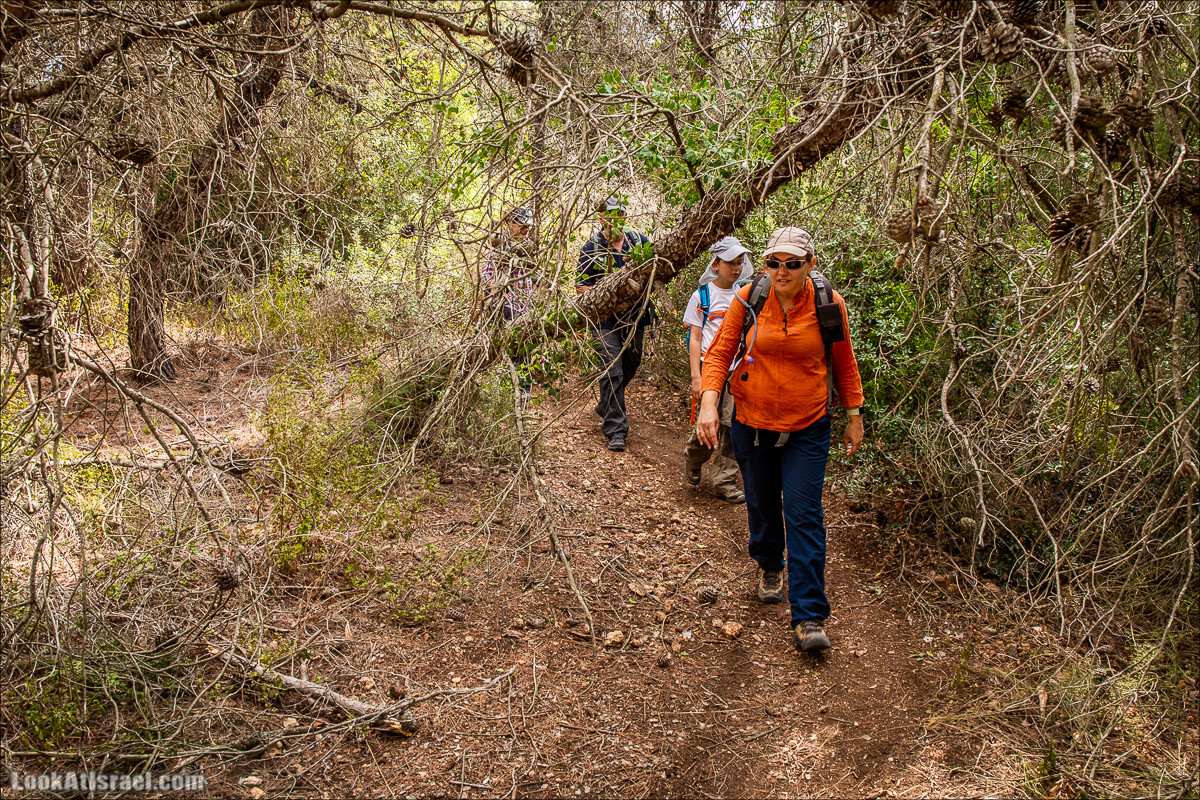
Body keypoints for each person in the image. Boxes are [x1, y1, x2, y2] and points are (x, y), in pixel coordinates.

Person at [696, 227, 864, 654]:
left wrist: (854, 414)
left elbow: (844, 361)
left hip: (808, 425)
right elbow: (719, 353)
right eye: (774, 262)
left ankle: (809, 616)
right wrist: (709, 403)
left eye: (792, 263)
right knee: (761, 501)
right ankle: (770, 564)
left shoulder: (828, 302)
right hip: (753, 423)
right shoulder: (749, 298)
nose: (781, 270)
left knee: (804, 513)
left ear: (810, 264)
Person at [576, 196, 655, 452]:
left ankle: (605, 403)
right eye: (611, 214)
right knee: (612, 370)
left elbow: (655, 272)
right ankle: (616, 429)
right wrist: (605, 296)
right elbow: (581, 287)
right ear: (602, 218)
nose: (616, 219)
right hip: (603, 321)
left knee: (631, 364)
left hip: (635, 318)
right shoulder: (591, 247)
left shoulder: (639, 242)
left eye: (620, 214)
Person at [682, 237, 754, 503]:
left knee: (734, 425)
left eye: (740, 262)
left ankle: (725, 481)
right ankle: (694, 457)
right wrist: (696, 377)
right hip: (709, 367)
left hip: (738, 369)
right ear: (715, 264)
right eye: (730, 262)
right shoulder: (701, 296)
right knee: (708, 421)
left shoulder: (746, 295)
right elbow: (695, 338)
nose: (736, 268)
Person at [482, 206, 537, 397]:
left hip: (526, 306)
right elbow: (486, 278)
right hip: (506, 305)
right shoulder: (500, 246)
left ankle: (523, 391)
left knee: (525, 347)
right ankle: (516, 392)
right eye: (522, 226)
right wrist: (500, 286)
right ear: (511, 224)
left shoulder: (528, 246)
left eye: (527, 227)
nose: (525, 230)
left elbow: (534, 273)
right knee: (515, 348)